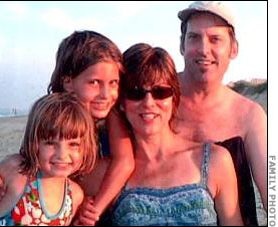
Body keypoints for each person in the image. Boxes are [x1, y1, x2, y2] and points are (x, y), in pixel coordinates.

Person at [78, 43, 243, 226]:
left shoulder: (215, 160)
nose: (148, 103)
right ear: (122, 102)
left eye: (160, 92)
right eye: (136, 93)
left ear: (174, 97)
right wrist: (79, 203)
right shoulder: (104, 174)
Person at [0, 30, 134, 225]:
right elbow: (30, 154)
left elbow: (125, 161)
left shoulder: (111, 112)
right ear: (68, 81)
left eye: (113, 83)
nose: (106, 93)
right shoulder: (52, 114)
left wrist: (93, 210)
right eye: (94, 82)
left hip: (78, 199)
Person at [176, 1, 267, 225]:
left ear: (233, 49)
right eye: (194, 37)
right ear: (182, 46)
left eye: (215, 39)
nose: (204, 49)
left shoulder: (249, 115)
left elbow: (271, 189)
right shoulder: (157, 100)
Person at [0, 92, 97, 226]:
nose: (62, 155)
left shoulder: (74, 196)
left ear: (86, 147)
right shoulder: (17, 170)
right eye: (50, 143)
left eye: (73, 144)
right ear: (34, 142)